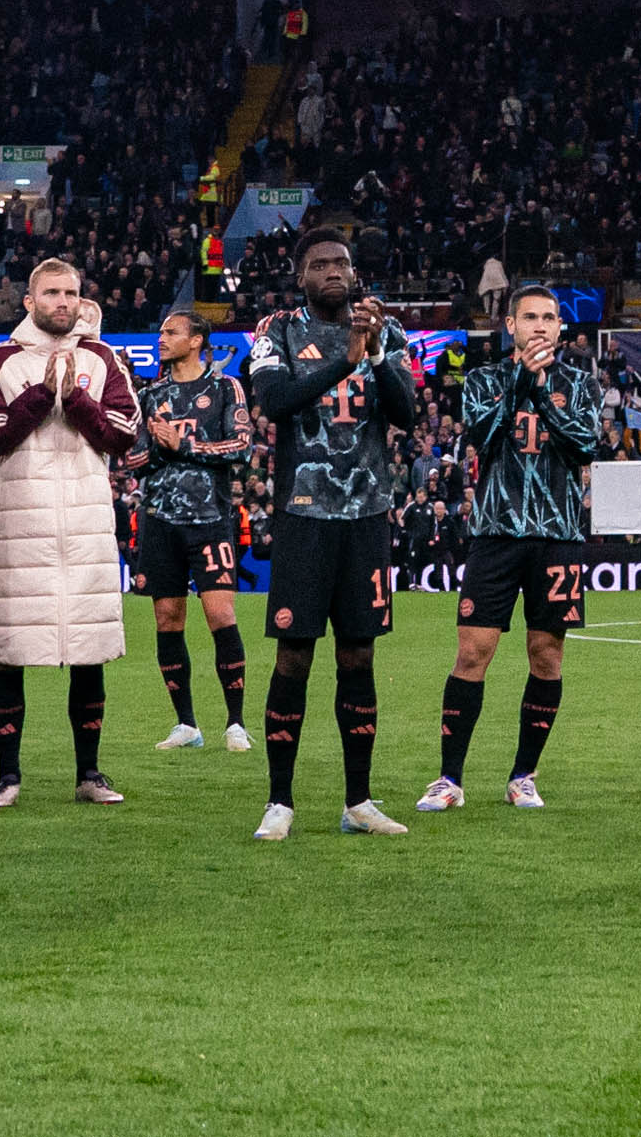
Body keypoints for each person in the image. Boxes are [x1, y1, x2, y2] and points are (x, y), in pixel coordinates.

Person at [244, 227, 418, 841]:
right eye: (320, 264)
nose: (334, 272)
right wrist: (344, 358)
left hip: (367, 517)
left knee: (359, 654)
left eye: (341, 262)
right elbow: (275, 401)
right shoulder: (278, 332)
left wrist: (371, 355)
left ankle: (358, 802)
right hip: (304, 516)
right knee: (294, 654)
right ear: (301, 277)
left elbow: (406, 414)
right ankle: (280, 800)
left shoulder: (386, 332)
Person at [419, 286, 602, 813]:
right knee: (473, 652)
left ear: (561, 330)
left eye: (549, 318)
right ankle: (449, 778)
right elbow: (485, 434)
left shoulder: (581, 385)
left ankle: (524, 775)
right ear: (510, 327)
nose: (541, 326)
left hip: (559, 538)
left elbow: (583, 444)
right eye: (530, 317)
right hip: (496, 534)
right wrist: (523, 380)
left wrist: (541, 389)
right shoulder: (483, 379)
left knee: (547, 655)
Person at [0, 258, 139, 808]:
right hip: (24, 526)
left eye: (70, 293)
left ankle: (89, 774)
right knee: (12, 653)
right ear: (30, 301)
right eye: (51, 293)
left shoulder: (103, 357)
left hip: (88, 525)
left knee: (89, 654)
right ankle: (7, 777)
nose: (62, 302)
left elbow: (121, 436)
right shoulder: (0, 359)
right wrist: (42, 395)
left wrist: (78, 399)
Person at [124, 312, 256, 753]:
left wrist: (183, 445)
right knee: (168, 620)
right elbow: (133, 461)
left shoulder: (224, 388)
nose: (160, 338)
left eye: (170, 332)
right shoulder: (151, 395)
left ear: (197, 340)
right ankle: (186, 724)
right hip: (160, 520)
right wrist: (159, 449)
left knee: (220, 615)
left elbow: (242, 446)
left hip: (209, 519)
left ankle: (235, 722)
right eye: (159, 331)